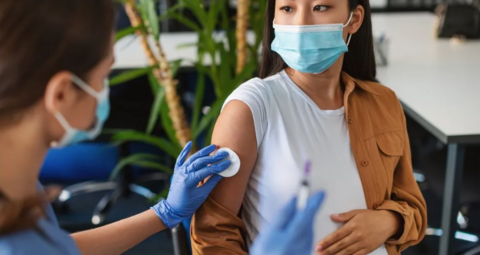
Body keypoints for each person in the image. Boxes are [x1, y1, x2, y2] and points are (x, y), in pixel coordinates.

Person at [0, 0, 325, 254]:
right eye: (104, 76)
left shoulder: (22, 190)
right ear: (61, 93)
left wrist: (164, 212)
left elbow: (61, 251)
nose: (104, 91)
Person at [191, 0, 428, 254]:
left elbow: (414, 208)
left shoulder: (384, 103)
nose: (301, 23)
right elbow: (213, 235)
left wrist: (390, 221)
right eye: (287, 9)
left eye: (320, 7)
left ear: (354, 19)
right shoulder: (250, 108)